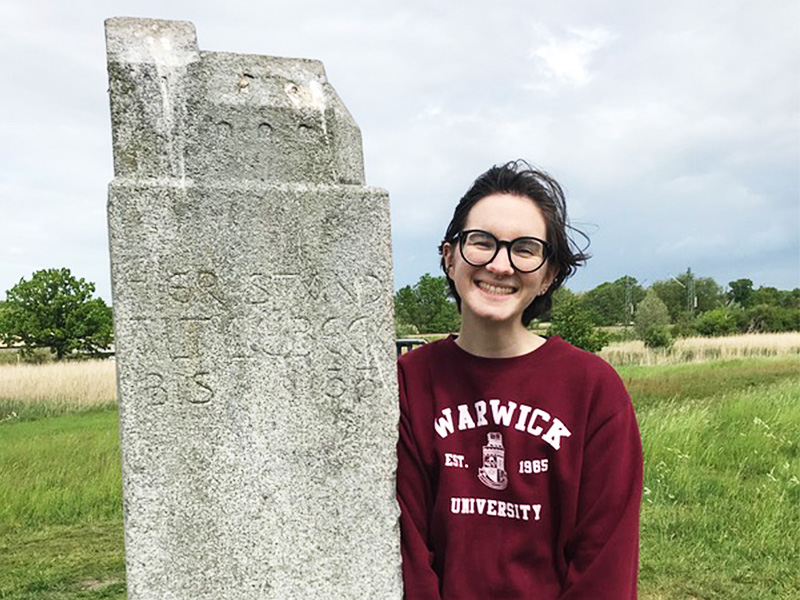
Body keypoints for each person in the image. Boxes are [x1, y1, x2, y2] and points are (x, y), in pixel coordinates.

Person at [396, 160, 643, 599]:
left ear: (548, 275)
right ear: (449, 256)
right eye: (482, 242)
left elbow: (604, 566)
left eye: (525, 249)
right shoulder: (409, 383)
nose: (500, 265)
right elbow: (408, 554)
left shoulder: (593, 390)